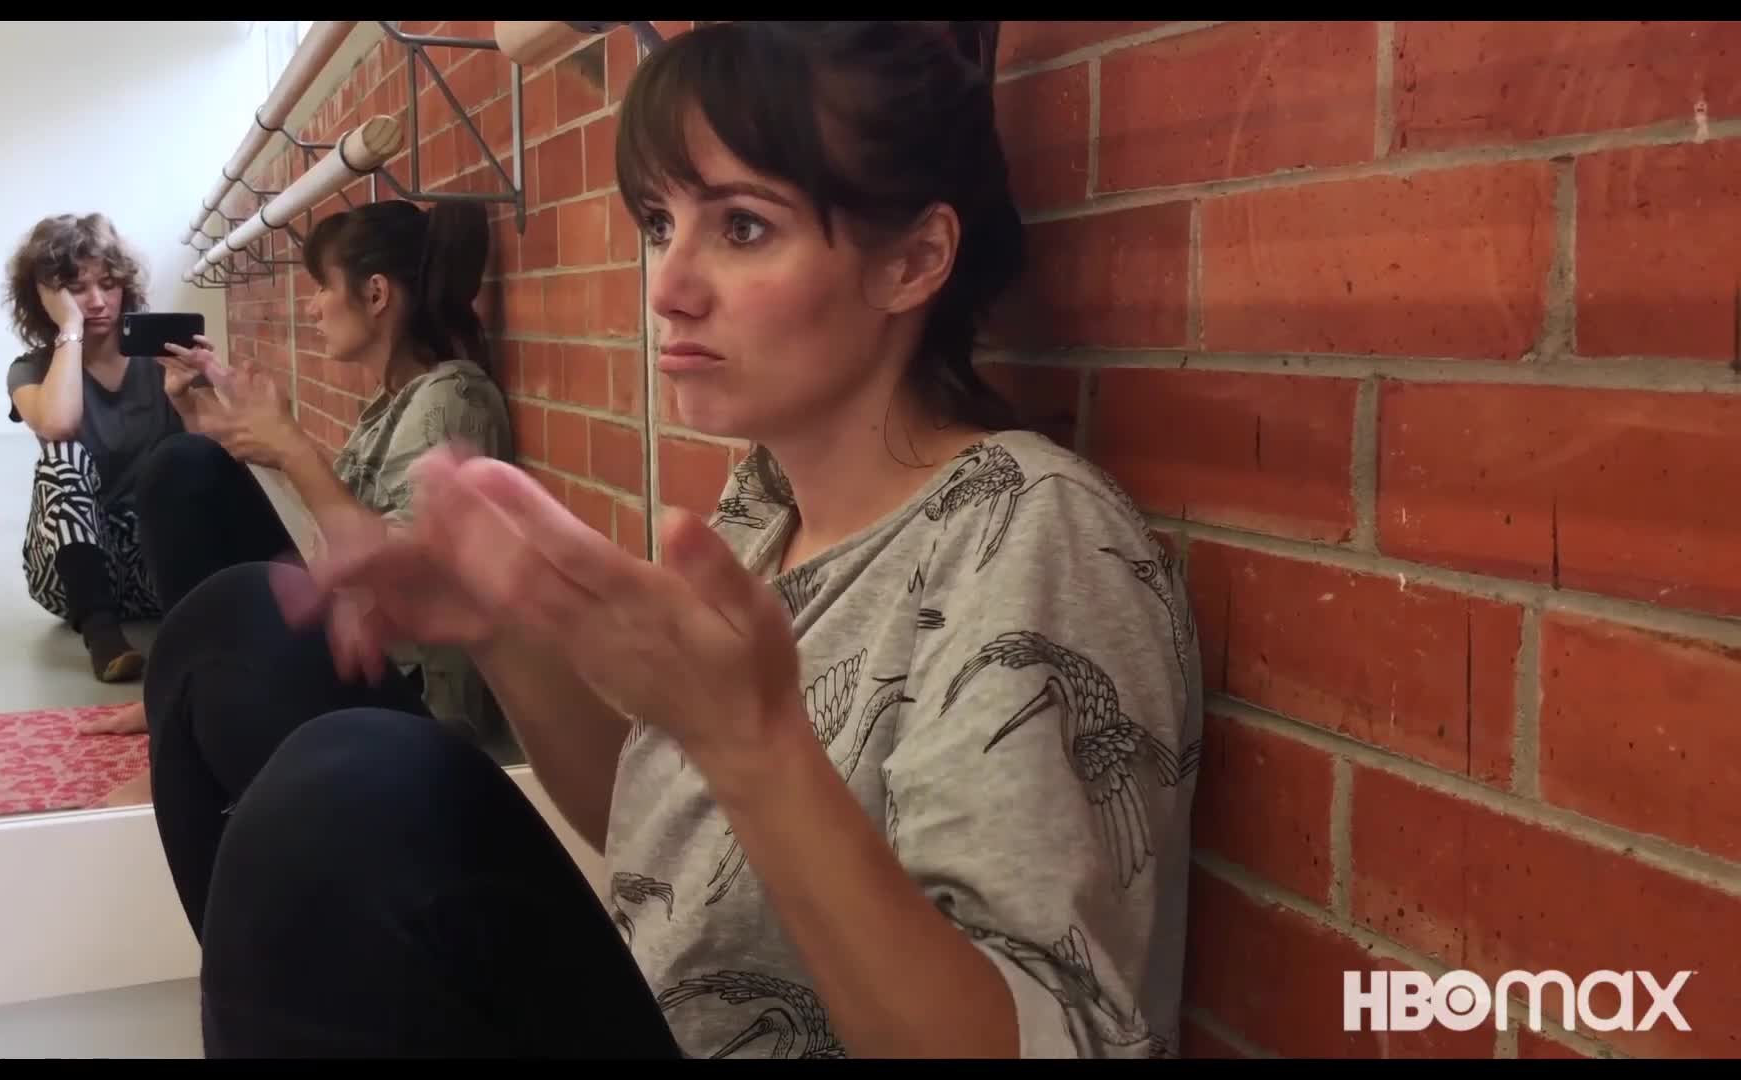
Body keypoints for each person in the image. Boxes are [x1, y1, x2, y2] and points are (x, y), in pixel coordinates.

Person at [157, 21, 1204, 1059]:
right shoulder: (761, 508)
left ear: (915, 260)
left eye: (742, 228)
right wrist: (505, 631)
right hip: (662, 1006)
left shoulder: (1036, 529)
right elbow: (655, 832)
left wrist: (756, 746)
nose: (667, 286)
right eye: (661, 223)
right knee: (235, 630)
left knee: (343, 800)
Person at [118, 199, 513, 765]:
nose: (314, 307)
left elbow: (394, 578)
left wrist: (292, 446)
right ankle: (185, 697)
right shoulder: (395, 403)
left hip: (410, 702)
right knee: (189, 467)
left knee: (185, 475)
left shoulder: (452, 398)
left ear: (376, 295)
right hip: (358, 656)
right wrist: (212, 420)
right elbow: (319, 533)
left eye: (323, 287)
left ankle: (192, 714)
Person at [3, 213, 187, 684]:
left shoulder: (163, 360)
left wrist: (192, 392)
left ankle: (198, 620)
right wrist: (70, 327)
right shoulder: (29, 371)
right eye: (78, 289)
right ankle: (103, 637)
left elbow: (205, 458)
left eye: (108, 284)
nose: (99, 301)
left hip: (158, 562)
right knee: (61, 456)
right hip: (73, 574)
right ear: (46, 297)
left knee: (183, 458)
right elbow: (60, 424)